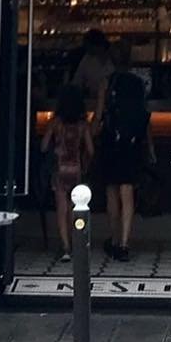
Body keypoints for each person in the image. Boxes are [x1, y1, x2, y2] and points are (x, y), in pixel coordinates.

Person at [100, 70, 151, 261]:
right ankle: (124, 243)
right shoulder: (138, 84)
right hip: (132, 144)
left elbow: (99, 115)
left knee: (112, 192)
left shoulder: (108, 82)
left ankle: (114, 239)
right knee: (127, 192)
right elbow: (144, 119)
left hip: (111, 143)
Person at [43, 84, 94, 261]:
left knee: (62, 208)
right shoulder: (83, 125)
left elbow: (44, 146)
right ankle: (78, 241)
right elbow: (91, 149)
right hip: (77, 169)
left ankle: (66, 247)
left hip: (59, 168)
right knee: (76, 208)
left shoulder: (55, 123)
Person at [72, 30, 116, 120]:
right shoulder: (86, 60)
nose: (86, 49)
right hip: (93, 104)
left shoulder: (115, 58)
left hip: (114, 105)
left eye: (88, 46)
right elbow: (77, 82)